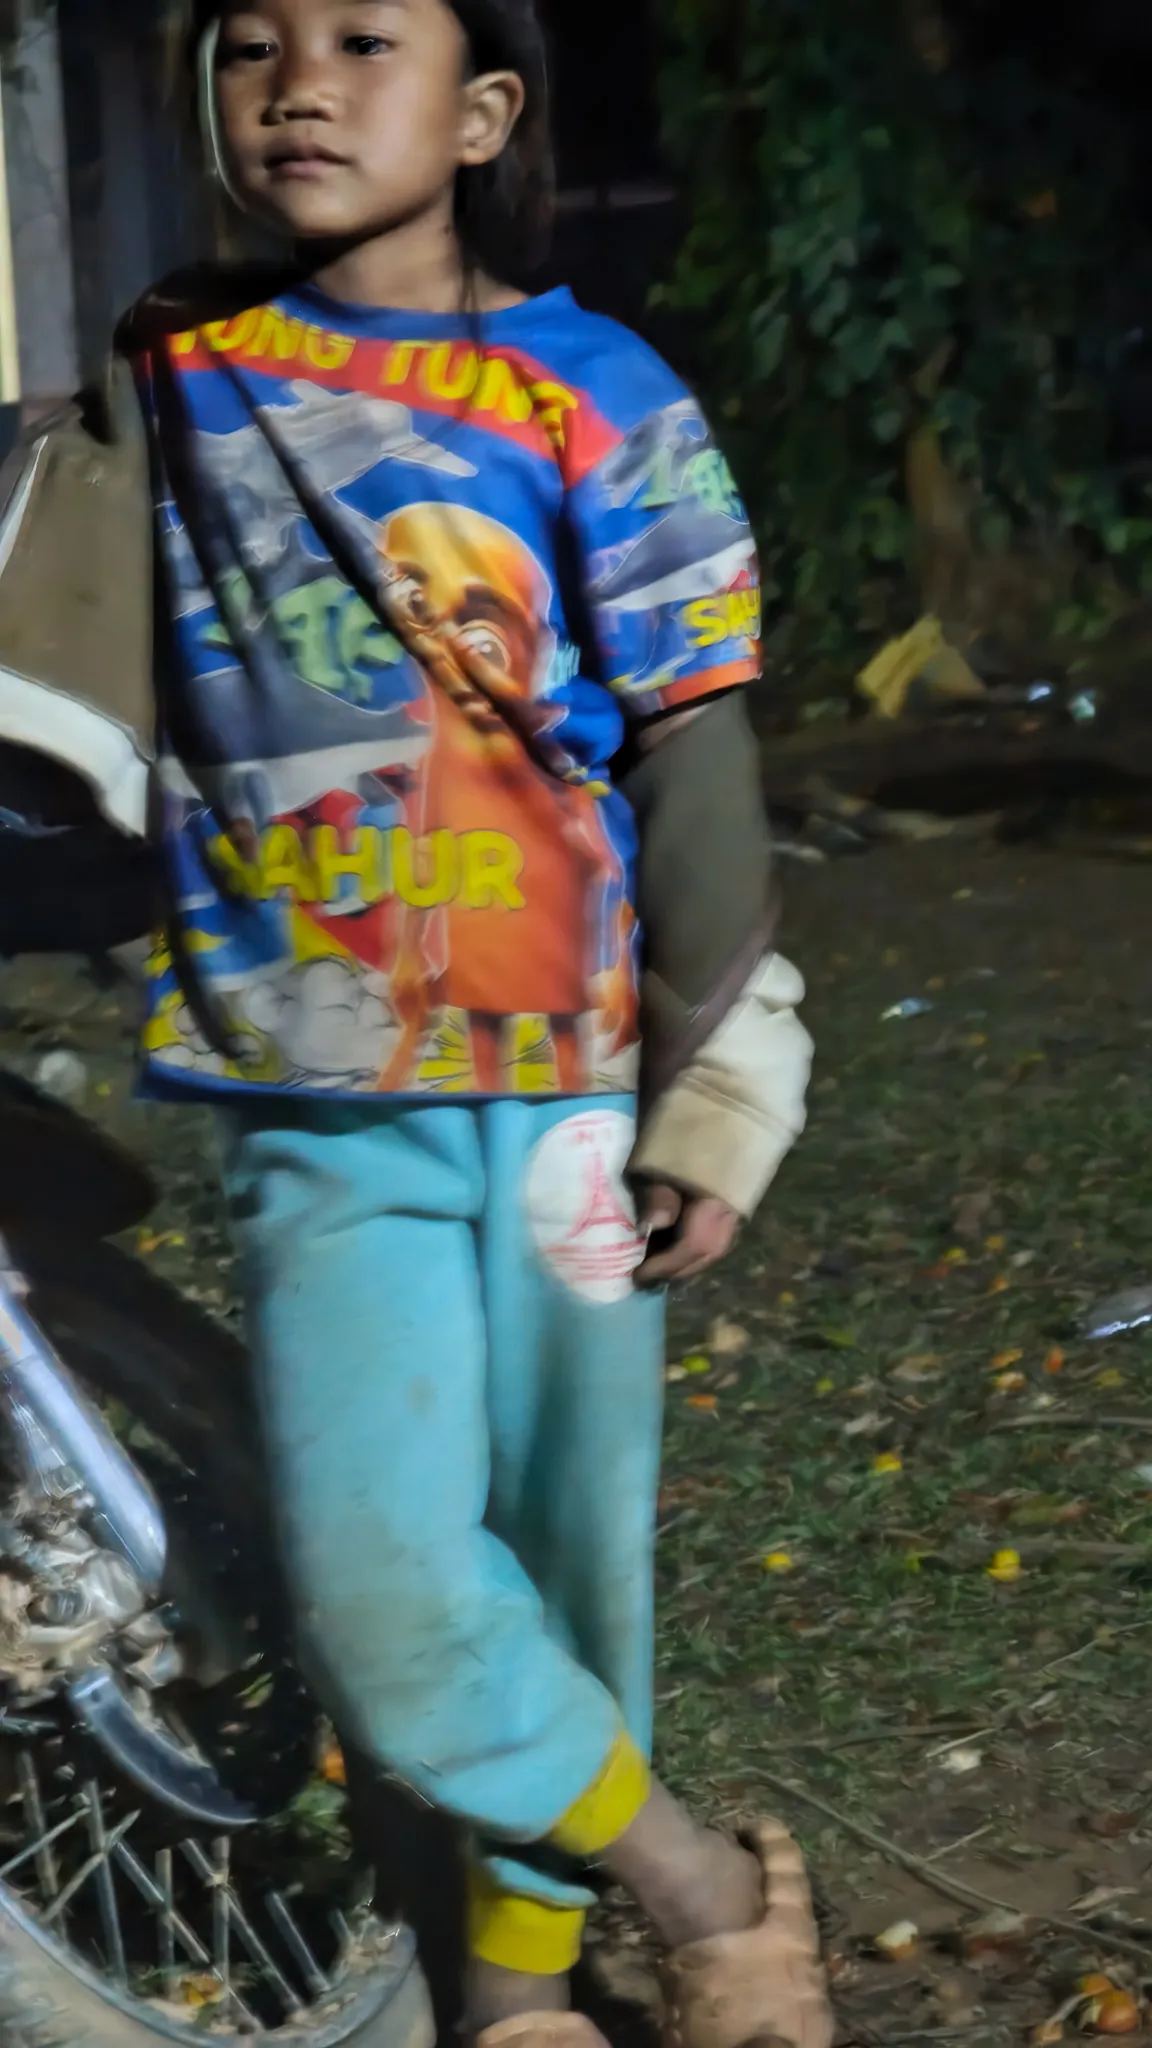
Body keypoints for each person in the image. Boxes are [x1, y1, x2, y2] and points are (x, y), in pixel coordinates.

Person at [118, 2, 830, 2044]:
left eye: (366, 38)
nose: (303, 84)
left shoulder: (592, 391)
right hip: (313, 1096)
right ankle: (697, 1881)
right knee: (390, 1596)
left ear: (486, 108)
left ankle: (512, 1993)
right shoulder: (168, 367)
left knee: (574, 1559)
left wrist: (728, 1075)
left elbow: (693, 738)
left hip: (576, 1100)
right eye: (253, 43)